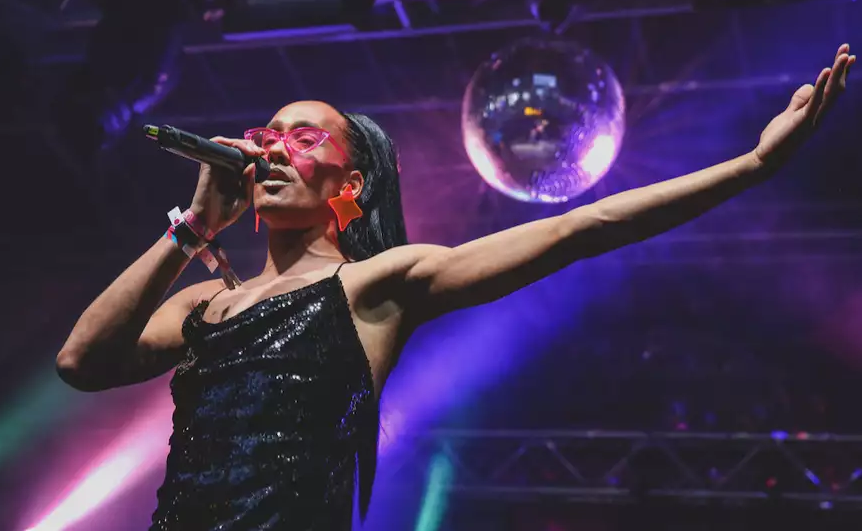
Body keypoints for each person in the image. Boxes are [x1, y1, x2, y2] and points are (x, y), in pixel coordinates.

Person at [57, 45, 854, 530]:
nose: (272, 149)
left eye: (303, 137)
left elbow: (589, 225)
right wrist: (193, 229)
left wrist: (753, 165)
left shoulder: (379, 285)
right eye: (266, 136)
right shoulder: (208, 301)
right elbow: (81, 362)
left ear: (352, 181)